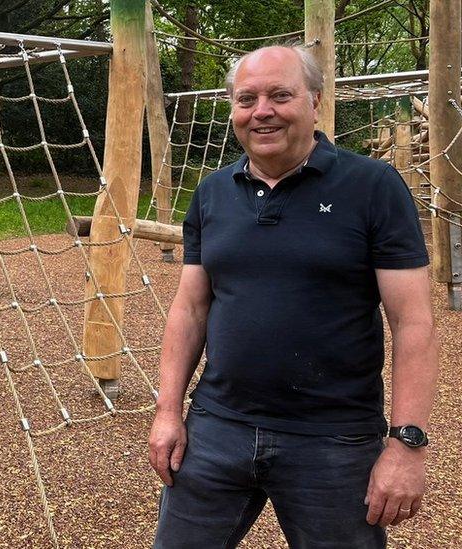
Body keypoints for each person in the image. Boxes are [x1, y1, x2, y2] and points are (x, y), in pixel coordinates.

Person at [148, 45, 439, 548]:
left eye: (280, 95)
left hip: (333, 438)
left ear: (315, 101)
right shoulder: (212, 192)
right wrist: (168, 410)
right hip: (219, 426)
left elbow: (414, 323)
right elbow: (190, 308)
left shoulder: (373, 186)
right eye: (247, 99)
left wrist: (406, 445)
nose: (262, 110)